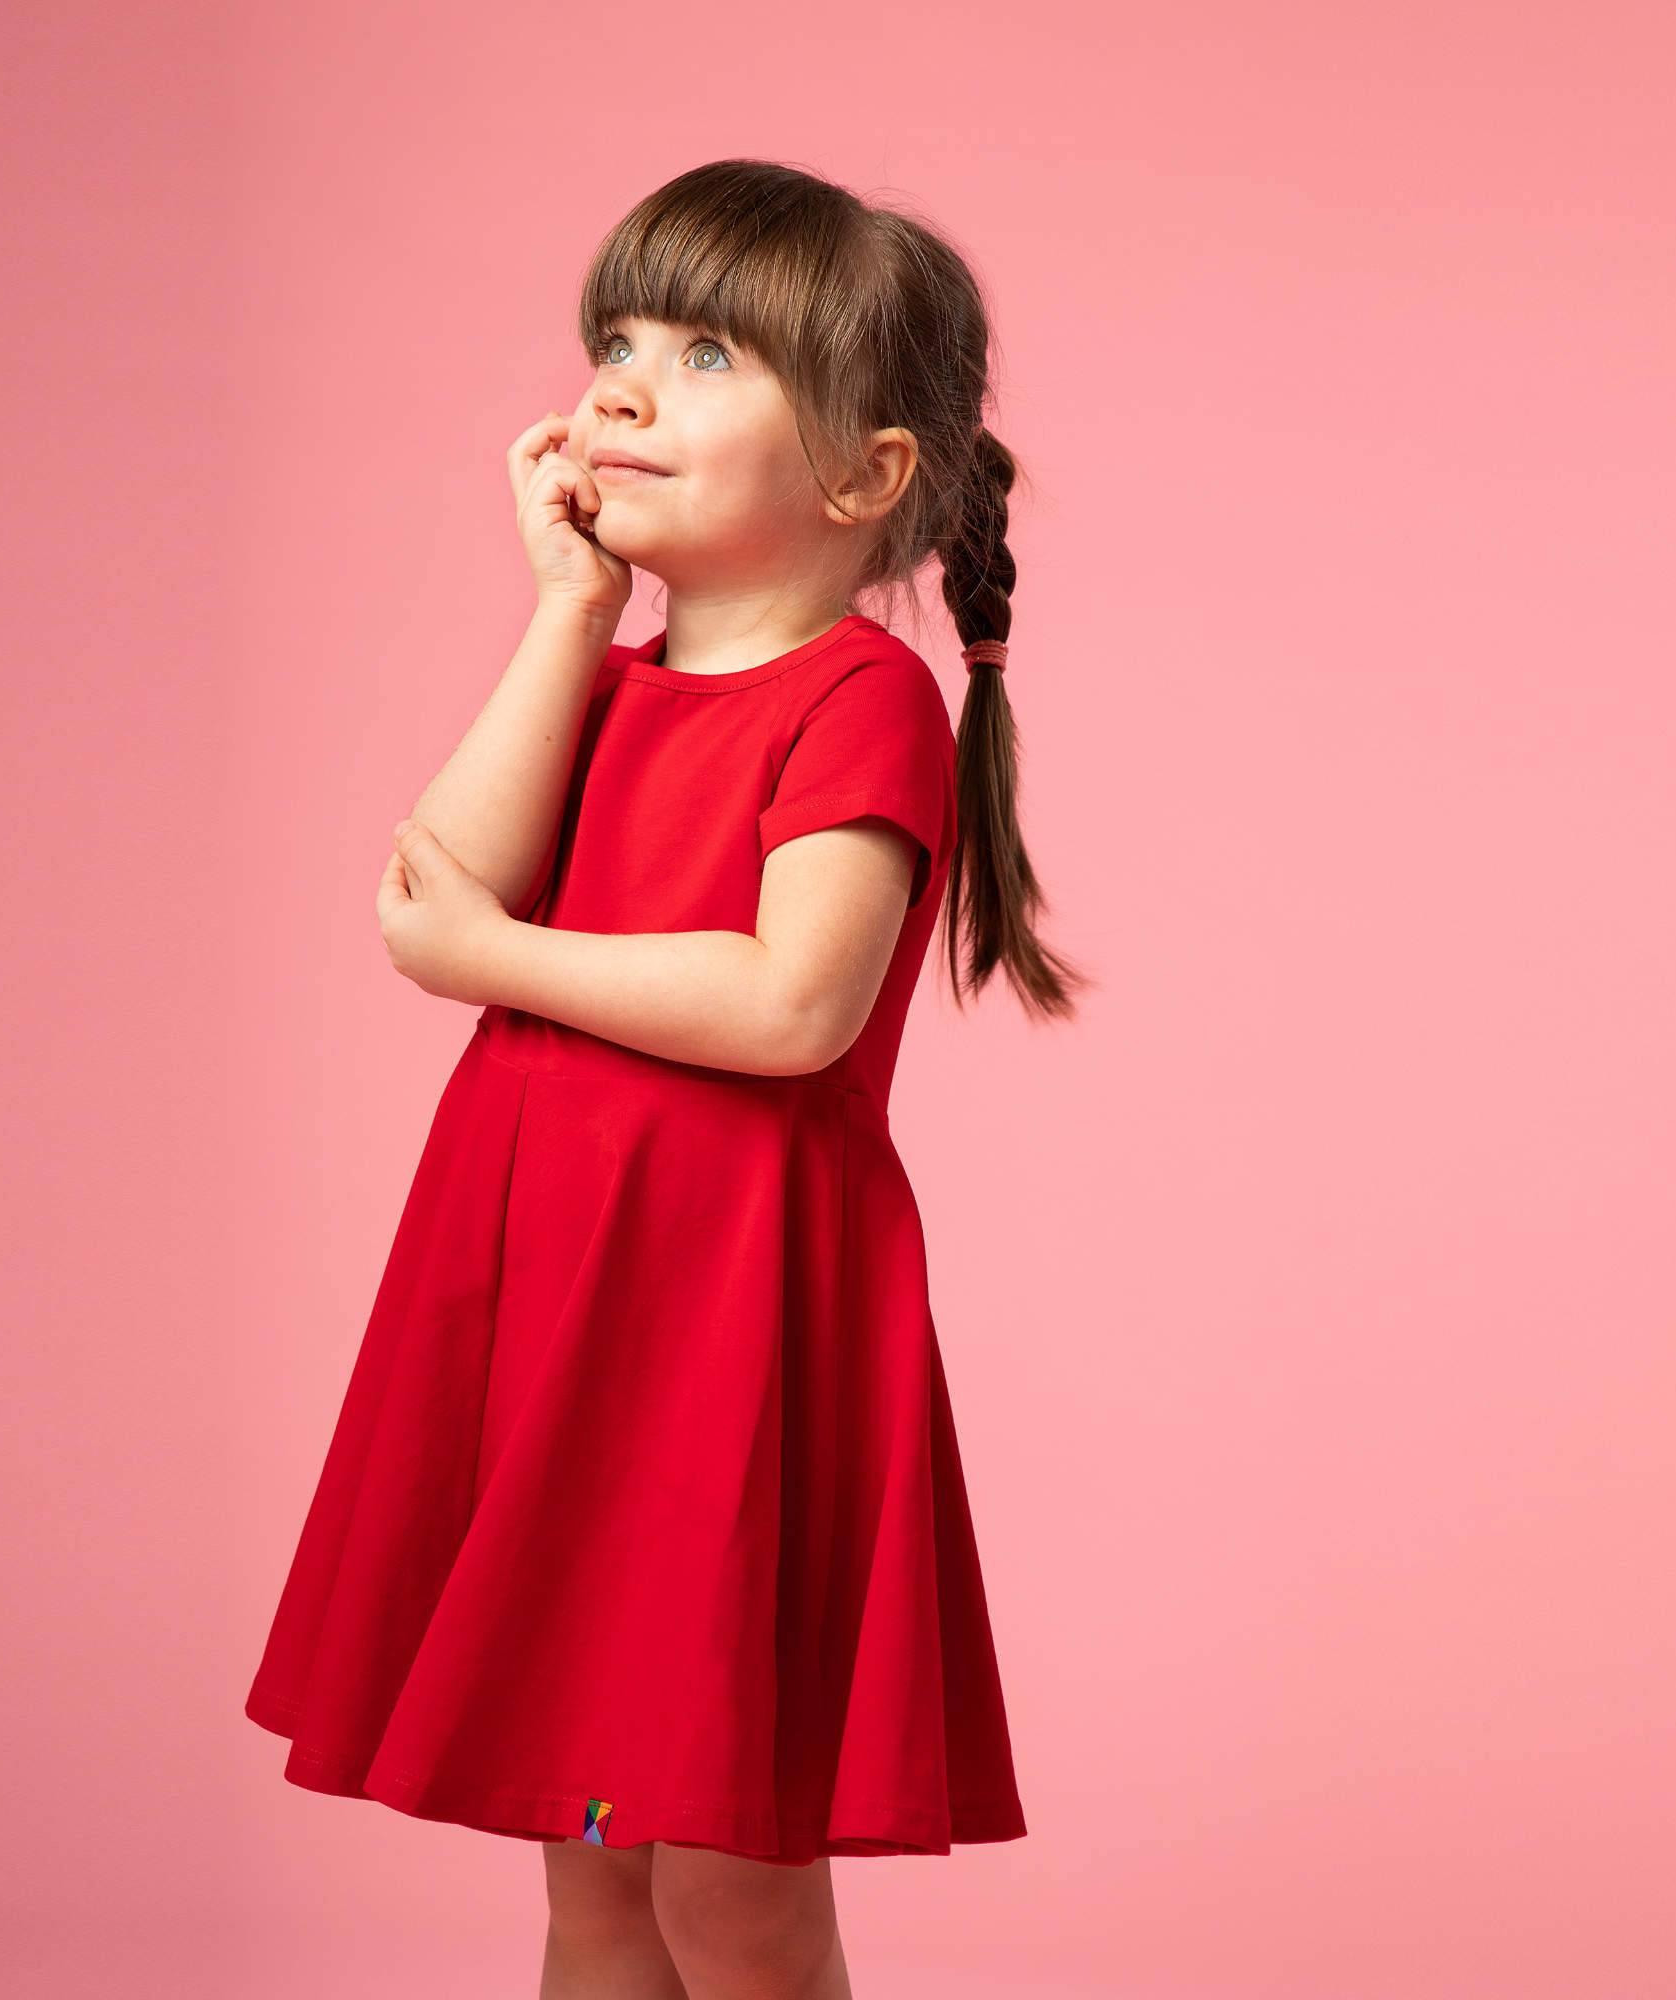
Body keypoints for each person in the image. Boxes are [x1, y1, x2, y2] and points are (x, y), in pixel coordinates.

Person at [244, 156, 1088, 1998]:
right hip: (562, 1331)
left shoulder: (862, 700)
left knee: (732, 1881)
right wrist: (565, 604)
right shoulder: (606, 678)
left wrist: (498, 967)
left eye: (703, 353)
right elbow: (437, 877)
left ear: (866, 474)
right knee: (597, 1874)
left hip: (720, 1349)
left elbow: (793, 1002)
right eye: (612, 340)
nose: (619, 386)